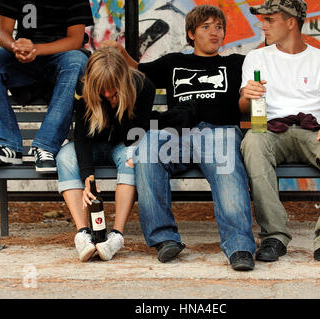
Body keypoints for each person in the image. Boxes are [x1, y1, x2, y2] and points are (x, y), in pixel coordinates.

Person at [101, 5, 257, 271]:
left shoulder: (236, 63)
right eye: (206, 27)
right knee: (148, 146)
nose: (214, 32)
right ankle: (164, 239)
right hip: (178, 136)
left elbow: (249, 96)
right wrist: (119, 52)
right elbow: (137, 69)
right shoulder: (174, 62)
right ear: (191, 34)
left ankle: (239, 246)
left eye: (218, 27)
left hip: (218, 131)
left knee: (226, 167)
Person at [239, 0, 320, 267]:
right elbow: (244, 107)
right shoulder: (256, 58)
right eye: (262, 20)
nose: (262, 25)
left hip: (311, 130)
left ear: (291, 22)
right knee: (252, 143)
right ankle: (274, 236)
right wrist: (247, 95)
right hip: (270, 129)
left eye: (269, 20)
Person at [56, 47, 155, 262]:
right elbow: (81, 136)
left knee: (131, 157)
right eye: (103, 90)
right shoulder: (83, 89)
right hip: (93, 145)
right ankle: (83, 234)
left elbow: (134, 136)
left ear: (123, 79)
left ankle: (116, 236)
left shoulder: (143, 86)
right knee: (65, 156)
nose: (108, 94)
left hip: (123, 143)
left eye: (113, 89)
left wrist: (118, 105)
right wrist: (88, 176)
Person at [0, 0, 93, 173]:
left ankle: (46, 147)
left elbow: (75, 40)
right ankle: (5, 144)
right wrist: (15, 47)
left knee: (78, 60)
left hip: (60, 60)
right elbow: (3, 32)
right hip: (23, 59)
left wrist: (35, 49)